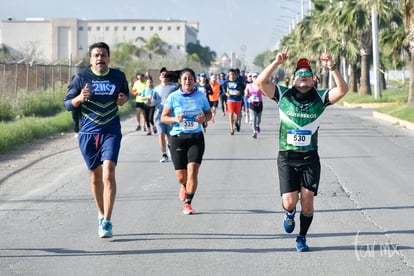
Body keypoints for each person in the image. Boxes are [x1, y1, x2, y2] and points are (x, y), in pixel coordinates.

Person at [255, 47, 348, 251]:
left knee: (307, 201)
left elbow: (342, 89)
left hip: (309, 157)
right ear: (293, 79)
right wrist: (276, 62)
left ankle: (302, 237)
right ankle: (289, 213)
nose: (303, 76)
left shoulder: (320, 97)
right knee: (290, 202)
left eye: (307, 74)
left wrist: (332, 67)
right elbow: (259, 83)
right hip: (287, 157)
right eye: (299, 74)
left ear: (314, 79)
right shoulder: (283, 95)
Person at [63, 42, 129, 238]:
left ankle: (107, 221)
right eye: (96, 55)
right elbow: (68, 104)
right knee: (95, 176)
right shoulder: (81, 77)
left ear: (108, 58)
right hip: (88, 132)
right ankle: (101, 214)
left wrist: (123, 100)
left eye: (103, 55)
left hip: (111, 130)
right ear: (91, 59)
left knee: (108, 172)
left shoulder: (118, 76)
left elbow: (125, 96)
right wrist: (79, 99)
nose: (100, 58)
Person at [160, 68, 212, 215]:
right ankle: (184, 185)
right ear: (179, 81)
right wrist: (175, 119)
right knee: (181, 176)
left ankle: (188, 203)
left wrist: (204, 119)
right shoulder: (173, 97)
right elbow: (164, 117)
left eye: (190, 78)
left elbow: (208, 114)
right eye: (184, 79)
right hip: (178, 138)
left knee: (193, 171)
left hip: (196, 138)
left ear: (194, 81)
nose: (187, 81)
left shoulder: (200, 96)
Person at [154, 68, 178, 162]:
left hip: (170, 115)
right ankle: (164, 154)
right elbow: (153, 102)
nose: (164, 78)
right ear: (160, 77)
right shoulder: (156, 89)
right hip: (159, 114)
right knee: (160, 134)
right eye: (162, 76)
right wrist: (148, 102)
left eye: (166, 76)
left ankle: (170, 147)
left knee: (169, 136)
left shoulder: (174, 88)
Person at [223, 68, 244, 135]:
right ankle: (232, 129)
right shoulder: (226, 81)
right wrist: (226, 93)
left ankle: (236, 122)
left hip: (238, 100)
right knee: (231, 113)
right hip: (230, 99)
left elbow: (243, 88)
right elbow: (223, 88)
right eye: (230, 74)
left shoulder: (239, 81)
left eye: (233, 74)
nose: (232, 75)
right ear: (229, 75)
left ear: (236, 75)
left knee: (237, 113)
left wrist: (240, 92)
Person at [244, 73, 263, 138]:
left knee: (259, 119)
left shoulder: (260, 85)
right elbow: (246, 91)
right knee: (254, 118)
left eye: (256, 77)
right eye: (253, 77)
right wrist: (246, 94)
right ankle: (254, 132)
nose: (255, 78)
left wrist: (262, 91)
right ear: (252, 78)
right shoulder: (249, 85)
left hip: (259, 103)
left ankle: (257, 126)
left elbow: (264, 93)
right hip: (252, 104)